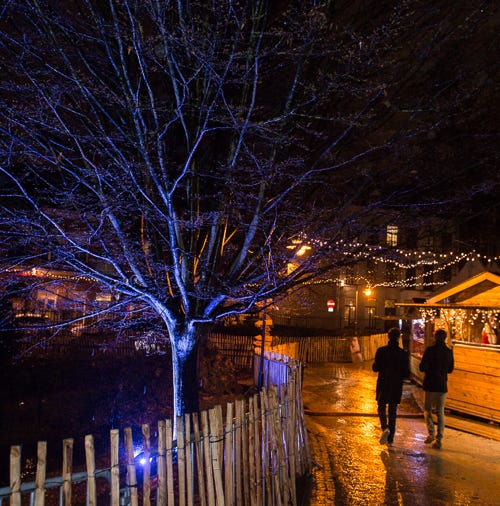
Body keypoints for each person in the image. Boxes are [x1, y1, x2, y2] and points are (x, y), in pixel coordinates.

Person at [372, 327, 410, 446]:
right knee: (393, 411)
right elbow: (406, 373)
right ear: (398, 338)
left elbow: (375, 368)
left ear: (388, 337)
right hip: (396, 385)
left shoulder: (381, 351)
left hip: (383, 383)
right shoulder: (403, 354)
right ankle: (391, 439)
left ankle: (385, 428)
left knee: (381, 407)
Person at [419, 328, 454, 449]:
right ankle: (439, 439)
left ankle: (431, 433)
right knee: (440, 412)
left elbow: (422, 367)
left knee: (427, 410)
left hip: (430, 384)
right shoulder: (449, 352)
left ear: (435, 337)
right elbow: (450, 369)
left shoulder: (429, 351)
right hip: (442, 385)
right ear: (444, 338)